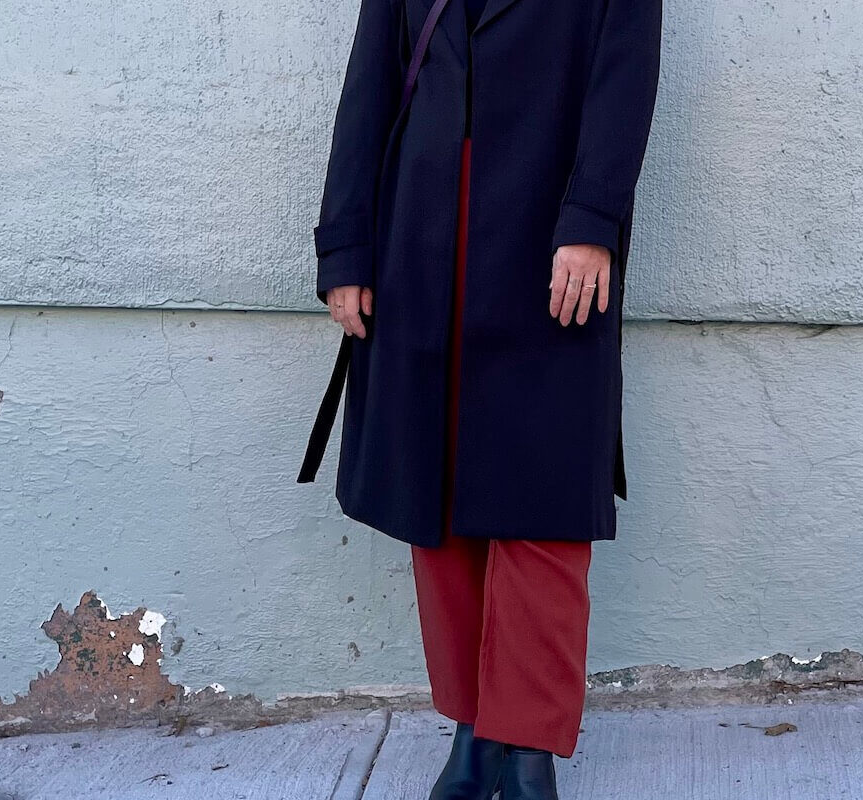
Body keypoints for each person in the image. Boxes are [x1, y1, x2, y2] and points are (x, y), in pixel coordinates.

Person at [305, 0, 661, 796]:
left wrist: (593, 218)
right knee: (433, 501)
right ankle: (473, 732)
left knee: (543, 506)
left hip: (547, 236)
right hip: (417, 238)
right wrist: (347, 248)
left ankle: (526, 748)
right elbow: (371, 83)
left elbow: (625, 75)